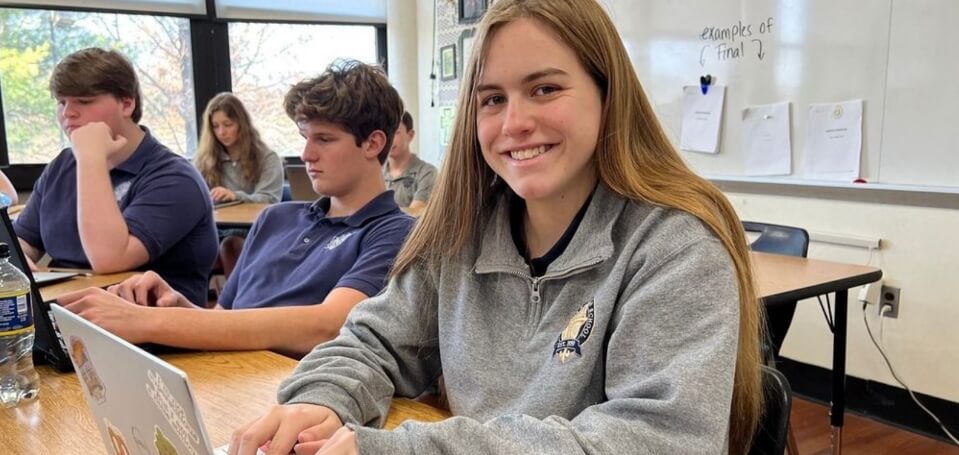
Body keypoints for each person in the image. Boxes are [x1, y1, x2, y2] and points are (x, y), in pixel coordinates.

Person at [227, 0, 764, 454]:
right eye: (492, 99)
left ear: (608, 94)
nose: (514, 123)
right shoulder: (460, 229)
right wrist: (322, 399)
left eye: (546, 89)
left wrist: (403, 448)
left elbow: (653, 439)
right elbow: (373, 340)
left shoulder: (677, 245)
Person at [57, 59, 414, 358]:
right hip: (226, 382)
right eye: (305, 138)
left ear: (373, 143)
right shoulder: (275, 218)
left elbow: (330, 325)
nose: (306, 155)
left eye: (324, 139)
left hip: (293, 400)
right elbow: (223, 318)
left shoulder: (395, 231)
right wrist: (174, 307)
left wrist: (147, 323)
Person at [13, 48, 217, 307]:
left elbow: (108, 259)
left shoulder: (175, 178)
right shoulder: (62, 166)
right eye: (62, 102)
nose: (68, 113)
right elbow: (23, 239)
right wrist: (18, 258)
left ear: (127, 103)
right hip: (65, 313)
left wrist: (91, 159)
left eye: (84, 102)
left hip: (154, 331)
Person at [194, 92, 283, 276]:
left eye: (228, 125)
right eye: (216, 126)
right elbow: (191, 195)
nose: (222, 132)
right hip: (214, 229)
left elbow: (270, 200)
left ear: (241, 124)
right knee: (185, 247)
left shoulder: (267, 158)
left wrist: (235, 195)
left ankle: (236, 304)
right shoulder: (204, 159)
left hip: (252, 231)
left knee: (231, 246)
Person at [382, 111, 436, 216]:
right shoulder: (375, 172)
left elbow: (417, 211)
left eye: (396, 132)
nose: (389, 139)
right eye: (385, 132)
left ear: (410, 135)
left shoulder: (427, 172)